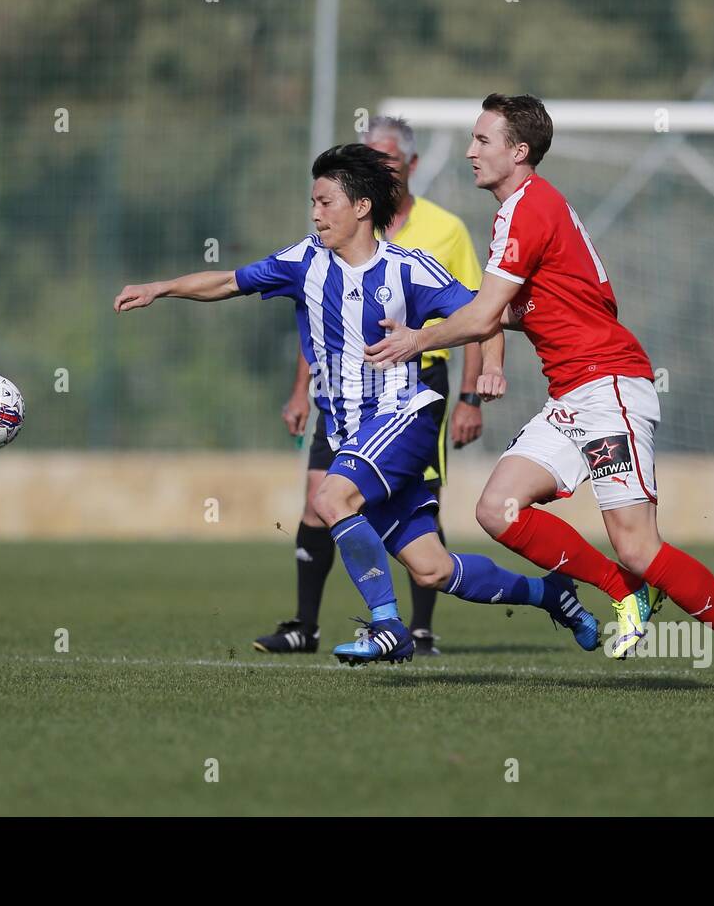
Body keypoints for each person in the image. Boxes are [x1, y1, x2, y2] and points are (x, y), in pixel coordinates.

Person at [114, 142, 600, 665]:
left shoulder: (410, 269)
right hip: (353, 433)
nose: (316, 213)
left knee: (330, 498)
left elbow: (485, 315)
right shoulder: (302, 262)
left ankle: (389, 626)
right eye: (313, 202)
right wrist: (160, 288)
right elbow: (227, 281)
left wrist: (495, 366)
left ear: (362, 207)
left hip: (403, 417)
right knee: (432, 568)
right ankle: (554, 596)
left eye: (326, 202)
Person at [365, 94, 714, 694]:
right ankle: (620, 589)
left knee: (638, 546)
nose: (470, 151)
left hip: (608, 385)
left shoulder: (527, 208)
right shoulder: (523, 209)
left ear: (519, 151)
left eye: (483, 140)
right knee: (498, 510)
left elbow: (484, 317)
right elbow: (518, 311)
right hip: (572, 392)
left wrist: (416, 339)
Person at [258, 116, 485, 657]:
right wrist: (299, 389)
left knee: (414, 505)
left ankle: (415, 628)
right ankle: (305, 625)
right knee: (319, 501)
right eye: (369, 157)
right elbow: (319, 314)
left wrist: (472, 396)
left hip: (412, 385)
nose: (377, 167)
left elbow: (478, 312)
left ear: (410, 164)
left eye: (387, 158)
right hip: (338, 387)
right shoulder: (332, 232)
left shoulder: (443, 230)